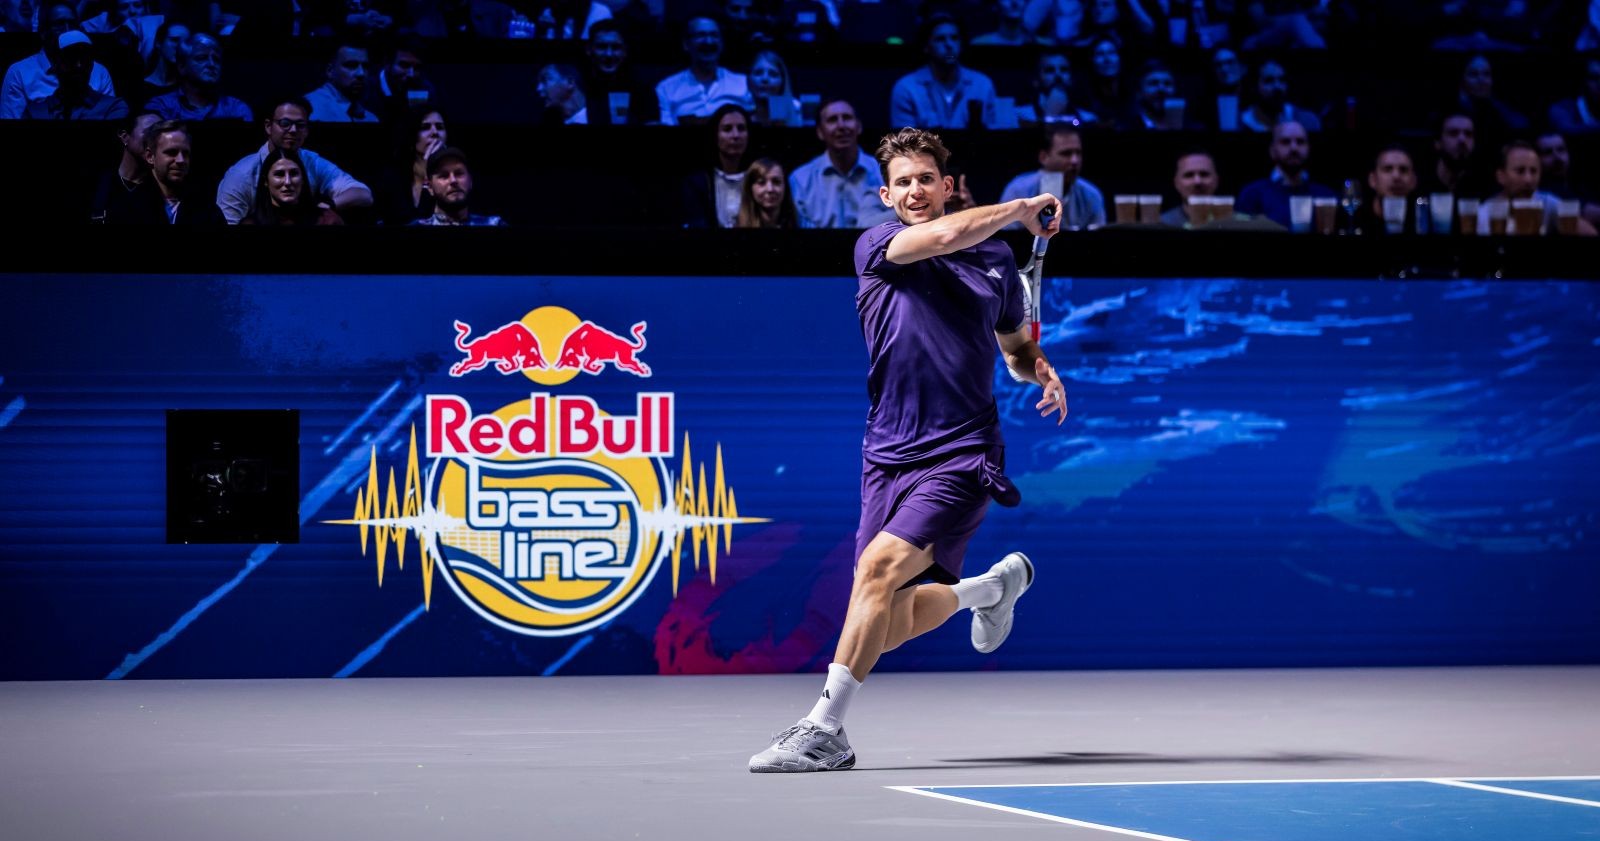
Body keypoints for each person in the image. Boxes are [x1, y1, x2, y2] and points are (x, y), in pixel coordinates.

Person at [748, 126, 1065, 773]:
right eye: (904, 183)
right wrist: (1019, 209)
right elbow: (947, 236)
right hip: (888, 454)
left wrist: (1042, 369)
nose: (917, 191)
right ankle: (986, 590)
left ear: (949, 186)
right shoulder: (877, 247)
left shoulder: (999, 262)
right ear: (887, 196)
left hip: (964, 451)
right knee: (882, 620)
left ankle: (824, 729)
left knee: (876, 573)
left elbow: (1014, 347)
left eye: (927, 178)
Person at [216, 96, 374, 224]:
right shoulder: (241, 175)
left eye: (300, 125)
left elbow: (363, 194)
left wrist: (326, 206)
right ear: (268, 126)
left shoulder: (312, 161)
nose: (293, 130)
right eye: (285, 124)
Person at [789, 98, 895, 229]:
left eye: (847, 118)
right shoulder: (800, 179)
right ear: (820, 132)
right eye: (832, 120)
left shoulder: (885, 171)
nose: (841, 126)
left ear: (859, 126)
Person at [1, 2, 117, 119]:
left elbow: (110, 114)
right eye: (59, 25)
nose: (67, 30)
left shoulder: (99, 72)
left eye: (72, 24)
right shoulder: (19, 73)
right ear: (43, 32)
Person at [888, 13, 998, 130]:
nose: (949, 45)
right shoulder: (907, 88)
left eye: (954, 38)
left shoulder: (982, 85)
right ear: (926, 46)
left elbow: (992, 137)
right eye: (940, 39)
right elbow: (905, 144)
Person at [106, 119, 225, 224]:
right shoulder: (127, 208)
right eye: (171, 152)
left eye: (185, 153)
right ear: (150, 156)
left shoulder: (206, 208)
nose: (181, 160)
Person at [1477, 140, 1596, 236]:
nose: (1528, 180)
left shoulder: (1546, 202)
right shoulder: (1484, 215)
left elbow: (1590, 233)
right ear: (1501, 176)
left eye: (1534, 171)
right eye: (1520, 171)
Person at [999, 125, 1103, 230]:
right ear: (1043, 157)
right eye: (1066, 153)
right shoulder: (1018, 192)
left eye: (1078, 153)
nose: (1074, 161)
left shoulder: (1091, 195)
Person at [1236, 119, 1335, 228]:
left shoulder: (1326, 196)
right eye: (1285, 142)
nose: (1294, 148)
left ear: (1308, 148)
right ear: (1272, 150)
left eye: (1300, 141)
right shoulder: (1251, 195)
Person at [654, 16, 750, 125]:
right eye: (701, 35)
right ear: (686, 44)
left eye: (714, 35)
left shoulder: (744, 83)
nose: (708, 41)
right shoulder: (666, 88)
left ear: (722, 43)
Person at [143, 31, 251, 121]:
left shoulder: (236, 109)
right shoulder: (161, 107)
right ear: (182, 66)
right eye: (202, 58)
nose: (211, 64)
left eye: (216, 59)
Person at [21, 30, 128, 119]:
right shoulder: (35, 112)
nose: (79, 65)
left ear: (91, 65)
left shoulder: (113, 107)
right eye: (71, 58)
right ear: (55, 64)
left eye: (85, 58)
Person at [682, 102, 750, 228]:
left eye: (741, 128)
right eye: (727, 129)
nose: (736, 135)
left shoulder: (758, 178)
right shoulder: (698, 182)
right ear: (715, 136)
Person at [580, 19, 655, 125]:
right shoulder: (578, 85)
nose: (609, 54)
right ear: (589, 50)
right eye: (602, 47)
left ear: (625, 51)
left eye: (616, 47)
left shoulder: (642, 87)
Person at [240, 149, 344, 225]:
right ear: (266, 181)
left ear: (303, 179)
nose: (288, 182)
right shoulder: (251, 223)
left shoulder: (327, 220)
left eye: (294, 174)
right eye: (279, 174)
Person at [92, 109, 160, 223]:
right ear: (124, 136)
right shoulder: (98, 183)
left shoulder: (163, 188)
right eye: (150, 131)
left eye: (160, 134)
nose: (157, 139)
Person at [409, 146, 506, 225]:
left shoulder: (495, 225)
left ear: (470, 181)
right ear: (430, 187)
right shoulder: (416, 228)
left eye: (459, 173)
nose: (453, 180)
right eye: (444, 175)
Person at [1014, 51, 1096, 126]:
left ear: (1071, 79)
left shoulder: (1088, 119)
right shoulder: (1019, 116)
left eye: (1064, 70)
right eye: (1049, 70)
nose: (1058, 75)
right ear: (1036, 80)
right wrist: (1050, 115)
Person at [305, 41, 378, 123]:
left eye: (366, 66)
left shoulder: (370, 118)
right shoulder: (309, 110)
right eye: (351, 65)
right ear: (330, 70)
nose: (361, 73)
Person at [1239, 59, 1319, 133]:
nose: (1278, 87)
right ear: (1254, 87)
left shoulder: (1307, 121)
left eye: (1282, 80)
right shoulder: (1240, 124)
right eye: (1269, 80)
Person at [1354, 145, 1417, 235]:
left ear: (1413, 181)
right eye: (1387, 169)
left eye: (1403, 170)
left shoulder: (1423, 220)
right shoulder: (1355, 218)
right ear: (1373, 180)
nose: (1396, 177)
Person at [1161, 150, 1220, 226]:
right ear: (1176, 183)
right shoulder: (1162, 224)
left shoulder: (1236, 223)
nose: (1197, 182)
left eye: (1204, 174)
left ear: (1217, 180)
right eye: (1189, 175)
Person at [735, 157, 797, 228]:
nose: (770, 189)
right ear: (750, 188)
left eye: (776, 182)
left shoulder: (798, 223)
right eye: (761, 182)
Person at [747, 50, 803, 127]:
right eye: (758, 73)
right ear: (748, 79)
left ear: (782, 81)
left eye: (773, 74)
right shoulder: (740, 115)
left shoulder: (798, 114)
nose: (765, 79)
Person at [1546, 58, 1600, 137]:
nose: (1599, 83)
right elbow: (1566, 131)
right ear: (1583, 80)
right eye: (1594, 78)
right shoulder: (1563, 108)